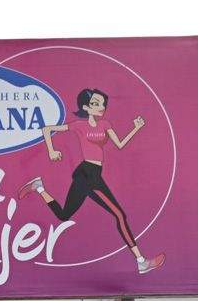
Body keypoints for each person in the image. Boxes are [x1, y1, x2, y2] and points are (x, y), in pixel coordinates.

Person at [18, 87, 165, 275]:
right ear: (86, 107)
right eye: (95, 103)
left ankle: (38, 187)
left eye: (102, 104)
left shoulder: (105, 124)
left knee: (63, 215)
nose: (100, 107)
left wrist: (135, 128)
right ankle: (141, 262)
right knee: (119, 215)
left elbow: (119, 144)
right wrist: (51, 151)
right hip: (88, 174)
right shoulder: (79, 125)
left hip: (92, 174)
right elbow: (47, 129)